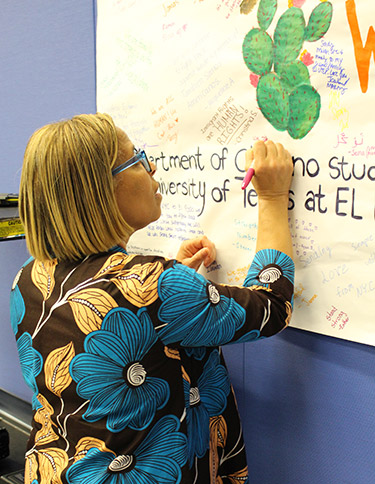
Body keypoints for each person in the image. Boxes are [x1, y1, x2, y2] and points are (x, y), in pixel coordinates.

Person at [10, 113, 294, 484]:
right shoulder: (152, 284)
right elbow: (271, 306)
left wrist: (173, 283)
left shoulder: (29, 277)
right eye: (137, 159)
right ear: (102, 189)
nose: (153, 166)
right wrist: (272, 196)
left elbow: (117, 322)